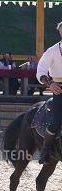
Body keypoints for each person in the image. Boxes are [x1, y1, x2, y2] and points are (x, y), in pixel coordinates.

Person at [36, 22, 62, 164]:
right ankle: (46, 150)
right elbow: (40, 70)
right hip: (59, 89)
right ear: (60, 32)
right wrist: (50, 83)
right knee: (57, 120)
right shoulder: (52, 51)